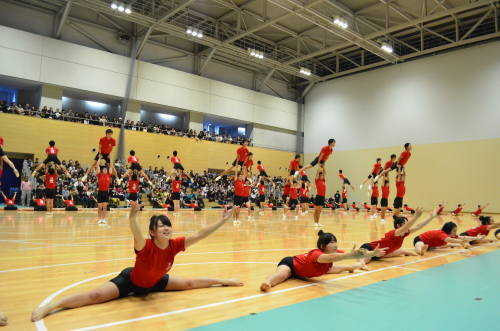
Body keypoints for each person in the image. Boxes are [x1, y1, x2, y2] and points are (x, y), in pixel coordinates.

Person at [31, 203, 242, 322]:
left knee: (189, 284)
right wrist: (132, 219)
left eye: (168, 226)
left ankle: (225, 280)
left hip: (154, 282)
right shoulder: (146, 246)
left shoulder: (174, 245)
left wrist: (222, 220)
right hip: (130, 281)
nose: (166, 229)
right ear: (153, 232)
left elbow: (200, 234)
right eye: (161, 227)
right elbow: (136, 234)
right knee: (95, 296)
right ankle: (53, 306)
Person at [259, 230, 384, 292]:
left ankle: (351, 268)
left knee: (339, 268)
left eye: (335, 241)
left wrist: (372, 253)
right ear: (323, 246)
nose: (335, 245)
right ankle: (267, 283)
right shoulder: (317, 254)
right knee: (282, 274)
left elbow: (351, 254)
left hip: (313, 271)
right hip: (292, 265)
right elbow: (333, 258)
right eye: (331, 242)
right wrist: (350, 255)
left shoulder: (335, 252)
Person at [360, 206, 440, 264]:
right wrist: (415, 216)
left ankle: (419, 250)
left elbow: (418, 226)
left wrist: (431, 217)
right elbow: (407, 226)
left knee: (403, 251)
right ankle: (360, 264)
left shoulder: (404, 233)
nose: (408, 226)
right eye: (405, 224)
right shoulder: (395, 233)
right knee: (367, 259)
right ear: (398, 226)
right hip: (370, 249)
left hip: (380, 254)